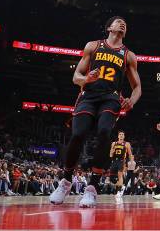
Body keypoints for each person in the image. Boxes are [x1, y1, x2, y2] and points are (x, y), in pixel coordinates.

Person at [49, 17, 142, 208]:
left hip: (111, 97)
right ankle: (65, 182)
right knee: (78, 134)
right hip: (89, 96)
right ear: (109, 27)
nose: (122, 24)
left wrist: (131, 101)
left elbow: (137, 87)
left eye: (125, 23)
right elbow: (76, 77)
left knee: (104, 133)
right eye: (118, 22)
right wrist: (86, 79)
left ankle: (92, 187)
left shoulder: (128, 55)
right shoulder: (93, 46)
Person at [110, 130, 132, 197]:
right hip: (114, 161)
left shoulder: (127, 144)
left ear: (124, 136)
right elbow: (110, 155)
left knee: (120, 175)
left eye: (122, 134)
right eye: (120, 134)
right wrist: (112, 152)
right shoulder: (114, 143)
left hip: (122, 161)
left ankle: (119, 191)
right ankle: (122, 186)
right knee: (112, 179)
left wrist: (129, 164)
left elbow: (130, 154)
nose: (121, 135)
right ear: (118, 136)